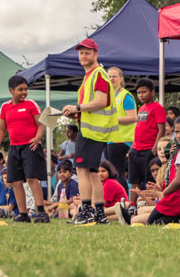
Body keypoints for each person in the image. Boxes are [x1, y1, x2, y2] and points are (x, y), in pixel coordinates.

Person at [62, 38, 118, 226]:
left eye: (87, 53)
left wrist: (78, 107)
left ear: (95, 54)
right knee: (93, 173)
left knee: (82, 170)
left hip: (92, 133)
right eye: (81, 53)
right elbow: (93, 106)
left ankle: (86, 212)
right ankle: (100, 214)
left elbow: (102, 101)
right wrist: (76, 114)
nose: (83, 56)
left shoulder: (98, 74)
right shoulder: (92, 76)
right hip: (92, 130)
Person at [117, 115, 180, 226]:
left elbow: (179, 180)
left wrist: (163, 193)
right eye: (177, 132)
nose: (179, 136)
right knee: (159, 218)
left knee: (152, 222)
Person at [0, 75, 48, 223]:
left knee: (31, 178)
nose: (24, 92)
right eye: (20, 89)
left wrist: (37, 138)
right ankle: (23, 214)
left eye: (26, 89)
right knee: (15, 181)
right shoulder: (5, 107)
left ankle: (41, 212)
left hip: (31, 145)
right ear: (11, 90)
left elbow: (41, 124)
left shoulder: (31, 104)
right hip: (14, 147)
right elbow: (1, 129)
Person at [127, 78, 166, 205]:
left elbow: (161, 130)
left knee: (150, 181)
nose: (141, 95)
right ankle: (130, 208)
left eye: (144, 92)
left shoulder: (157, 108)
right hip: (135, 149)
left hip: (148, 149)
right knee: (134, 181)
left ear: (152, 92)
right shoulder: (141, 108)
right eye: (139, 93)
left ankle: (152, 206)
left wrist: (155, 148)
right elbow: (139, 127)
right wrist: (132, 146)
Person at [107, 67, 136, 193]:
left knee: (117, 172)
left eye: (114, 76)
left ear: (121, 79)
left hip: (122, 139)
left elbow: (133, 117)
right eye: (109, 76)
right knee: (111, 173)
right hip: (109, 139)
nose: (111, 79)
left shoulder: (125, 96)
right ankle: (116, 200)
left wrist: (114, 120)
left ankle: (123, 199)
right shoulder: (109, 96)